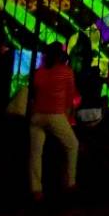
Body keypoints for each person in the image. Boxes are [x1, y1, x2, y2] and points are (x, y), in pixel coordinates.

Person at [27, 44, 79, 201]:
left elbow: (35, 93)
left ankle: (36, 189)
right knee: (73, 145)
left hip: (36, 115)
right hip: (55, 114)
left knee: (35, 153)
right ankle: (70, 182)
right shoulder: (66, 71)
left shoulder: (40, 72)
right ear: (60, 56)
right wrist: (69, 115)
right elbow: (71, 96)